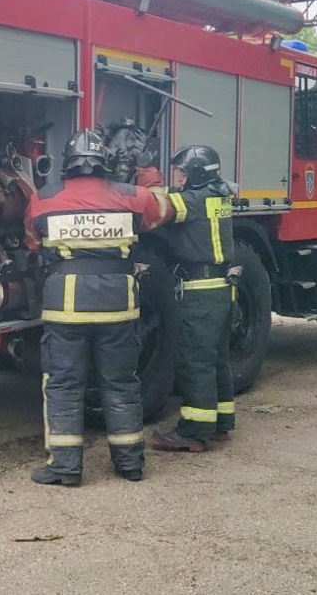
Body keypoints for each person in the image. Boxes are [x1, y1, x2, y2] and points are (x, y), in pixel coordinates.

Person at [24, 129, 171, 486]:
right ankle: (130, 464)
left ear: (67, 165)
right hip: (118, 306)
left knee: (64, 385)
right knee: (121, 384)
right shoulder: (131, 196)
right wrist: (147, 170)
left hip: (66, 309)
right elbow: (162, 210)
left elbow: (33, 241)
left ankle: (65, 468)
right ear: (104, 163)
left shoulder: (43, 198)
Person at [143, 145, 239, 453]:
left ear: (196, 175)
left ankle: (194, 432)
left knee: (194, 362)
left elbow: (160, 208)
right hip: (222, 290)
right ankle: (222, 424)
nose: (178, 179)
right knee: (216, 359)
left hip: (200, 292)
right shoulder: (218, 195)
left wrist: (148, 177)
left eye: (181, 173)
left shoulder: (192, 201)